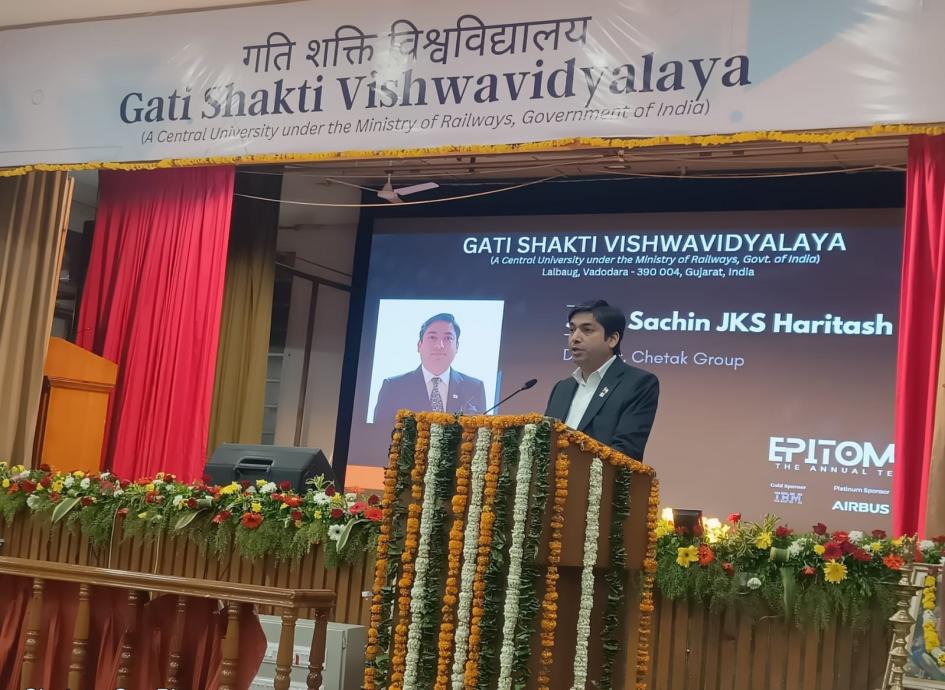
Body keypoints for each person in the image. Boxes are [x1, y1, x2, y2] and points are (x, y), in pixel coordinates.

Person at [545, 300, 659, 460]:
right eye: (572, 330)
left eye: (587, 330)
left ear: (612, 339)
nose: (574, 338)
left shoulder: (638, 383)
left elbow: (626, 452)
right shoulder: (562, 388)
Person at [372, 313, 487, 426]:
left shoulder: (474, 388)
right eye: (432, 337)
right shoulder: (393, 387)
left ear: (457, 346)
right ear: (419, 345)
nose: (439, 345)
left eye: (448, 338)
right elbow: (378, 433)